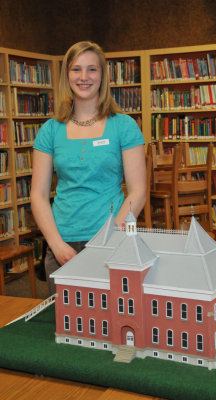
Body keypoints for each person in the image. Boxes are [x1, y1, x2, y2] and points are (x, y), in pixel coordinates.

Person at [30, 41, 146, 294]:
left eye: (92, 69)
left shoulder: (124, 126)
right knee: (65, 324)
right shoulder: (49, 130)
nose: (84, 77)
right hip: (63, 245)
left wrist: (109, 240)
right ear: (67, 75)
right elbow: (38, 195)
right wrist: (55, 244)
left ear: (103, 76)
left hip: (112, 242)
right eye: (76, 69)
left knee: (115, 321)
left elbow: (138, 192)